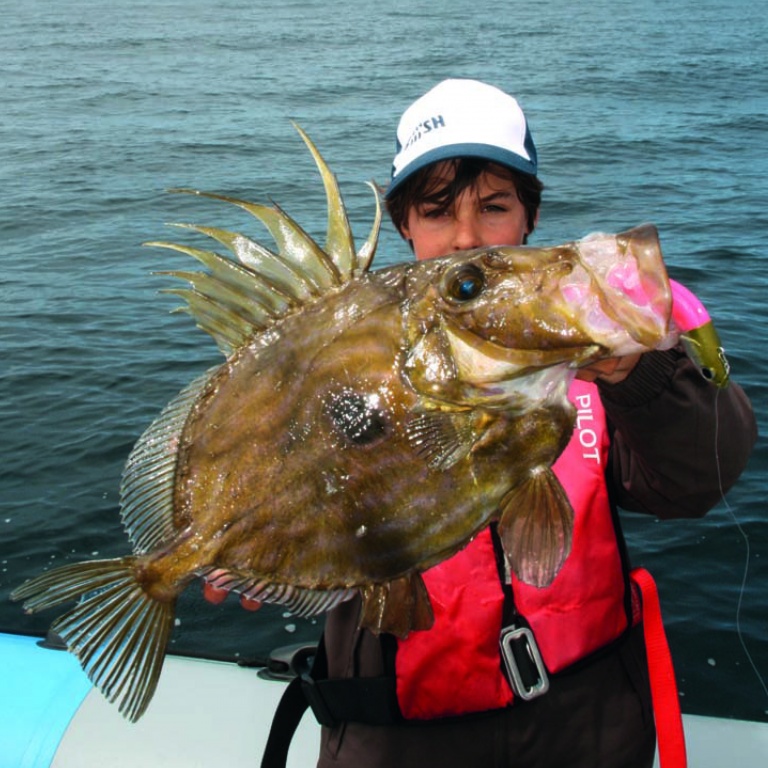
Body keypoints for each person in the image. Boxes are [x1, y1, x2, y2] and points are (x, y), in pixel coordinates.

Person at [269, 79, 755, 768]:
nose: (466, 237)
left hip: (584, 733)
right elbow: (277, 481)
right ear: (404, 223)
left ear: (529, 218)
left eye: (494, 207)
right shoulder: (337, 365)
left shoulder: (591, 359)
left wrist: (642, 376)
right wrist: (249, 549)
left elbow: (698, 481)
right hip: (400, 743)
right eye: (437, 212)